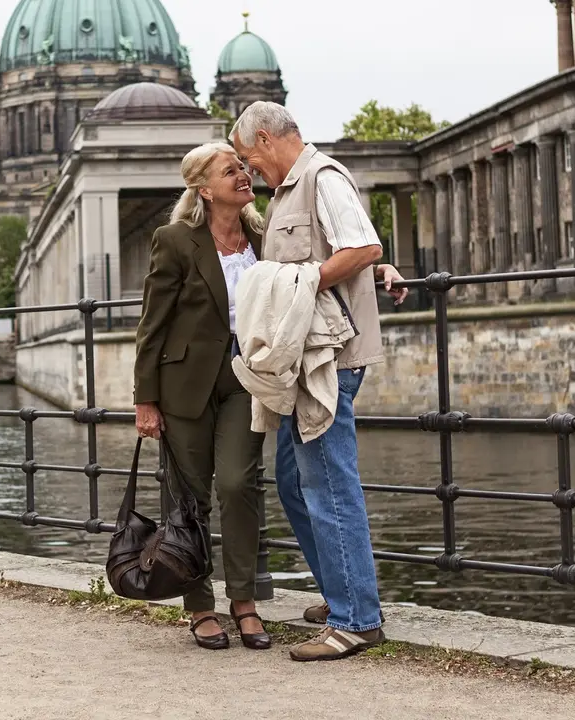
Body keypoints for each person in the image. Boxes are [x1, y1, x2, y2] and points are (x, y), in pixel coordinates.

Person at [231, 101, 408, 662]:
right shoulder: (288, 191)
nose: (249, 171)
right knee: (293, 482)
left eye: (248, 158)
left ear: (264, 139)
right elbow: (352, 251)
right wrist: (373, 270)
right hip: (306, 363)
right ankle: (344, 594)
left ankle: (356, 620)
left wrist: (313, 281)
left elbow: (363, 245)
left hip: (329, 359)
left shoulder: (320, 176)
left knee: (328, 486)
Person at [132, 142, 271, 651]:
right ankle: (200, 606)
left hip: (245, 377)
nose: (243, 174)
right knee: (188, 497)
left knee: (238, 484)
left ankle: (245, 601)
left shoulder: (263, 234)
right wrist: (145, 399)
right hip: (183, 383)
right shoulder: (174, 239)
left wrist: (379, 268)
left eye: (243, 167)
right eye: (230, 170)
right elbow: (153, 324)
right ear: (204, 189)